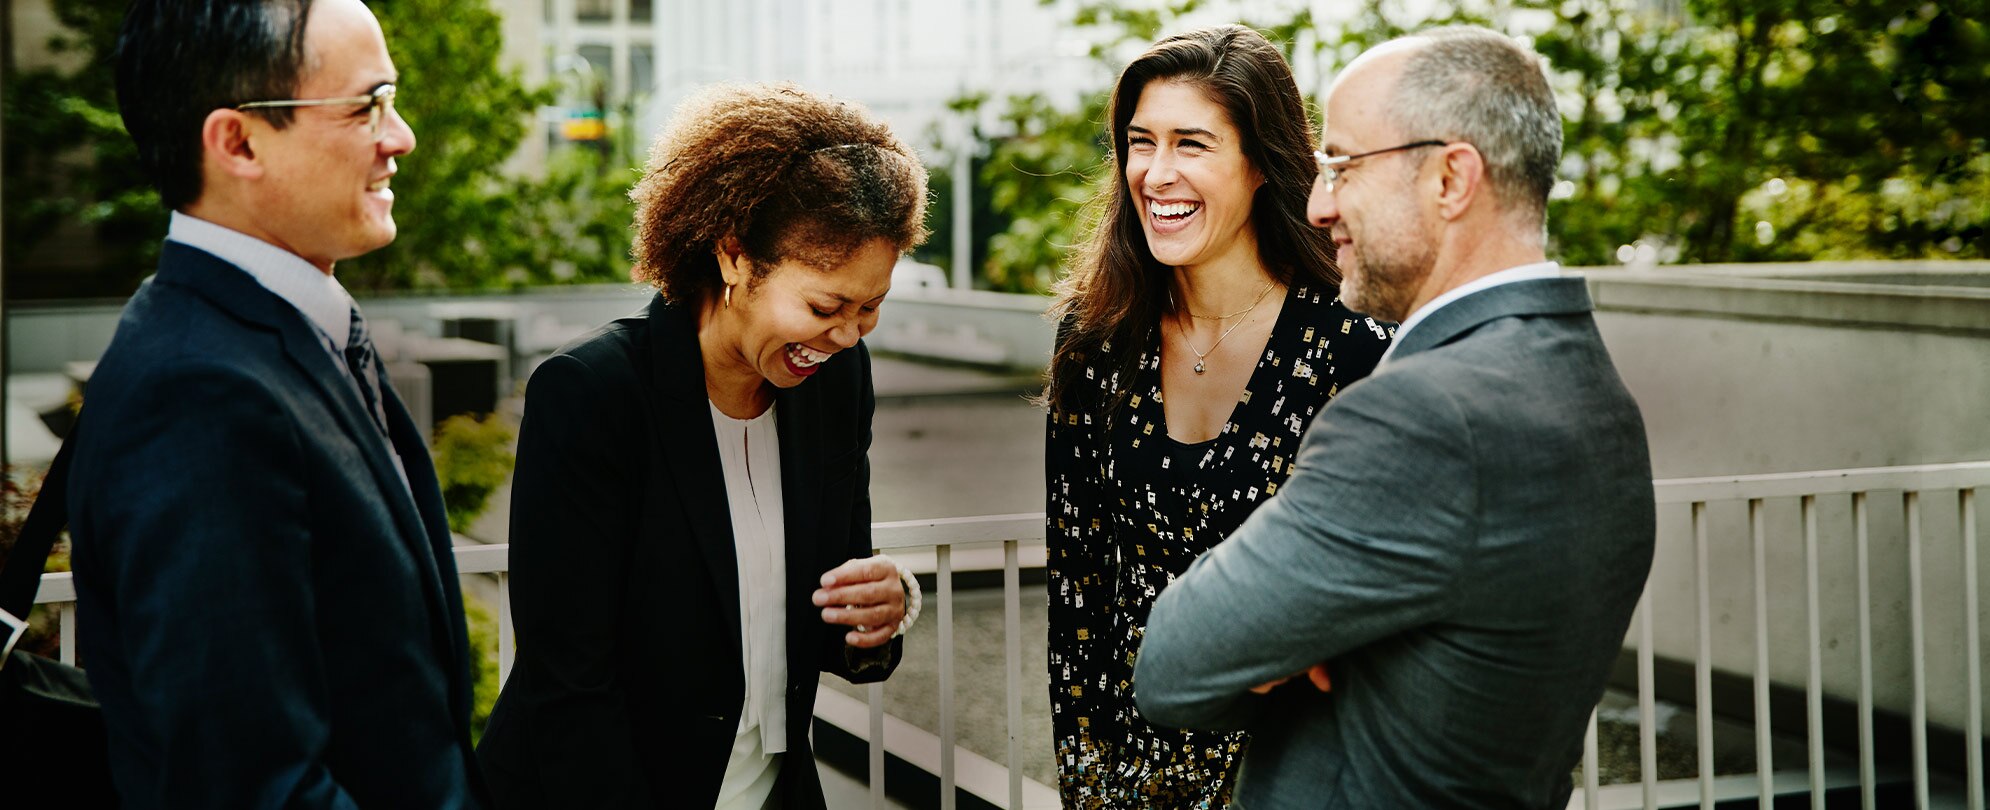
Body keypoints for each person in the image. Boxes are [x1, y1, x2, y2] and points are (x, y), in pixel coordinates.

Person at [1133, 26, 1657, 808]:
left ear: (1451, 179)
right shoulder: (1592, 388)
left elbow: (1174, 664)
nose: (1318, 204)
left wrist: (1283, 637)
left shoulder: (1418, 416)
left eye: (1343, 166)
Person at [66, 0, 487, 807]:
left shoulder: (252, 336)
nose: (400, 138)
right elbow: (250, 784)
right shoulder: (197, 394)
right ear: (238, 142)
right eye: (366, 106)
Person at [475, 83, 925, 810]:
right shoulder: (592, 394)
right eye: (824, 306)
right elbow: (569, 686)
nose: (847, 335)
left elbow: (834, 605)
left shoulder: (838, 382)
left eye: (870, 308)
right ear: (734, 257)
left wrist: (882, 610)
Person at [1041, 25, 1391, 808]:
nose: (1156, 173)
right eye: (1140, 142)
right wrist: (1093, 784)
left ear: (1263, 163)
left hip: (1305, 769)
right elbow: (1081, 588)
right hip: (1136, 769)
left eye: (1191, 144)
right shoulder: (1097, 340)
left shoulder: (1353, 341)